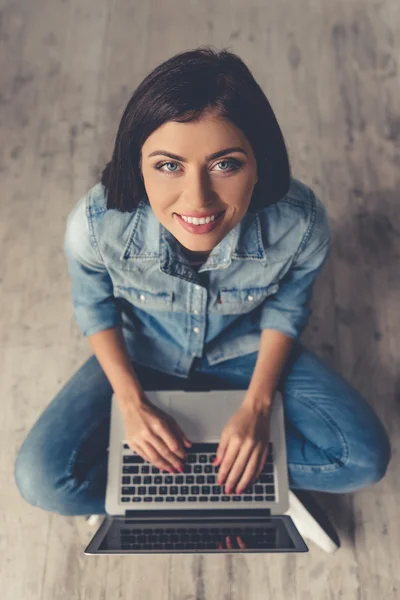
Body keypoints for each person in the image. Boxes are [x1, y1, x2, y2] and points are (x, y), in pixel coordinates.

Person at [14, 47, 391, 539]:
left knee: (365, 459)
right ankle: (242, 483)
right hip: (146, 349)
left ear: (260, 162)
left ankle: (190, 480)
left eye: (225, 165)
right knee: (41, 480)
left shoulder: (301, 222)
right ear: (137, 164)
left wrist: (257, 408)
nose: (197, 200)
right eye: (169, 166)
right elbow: (93, 306)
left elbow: (288, 306)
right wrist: (131, 404)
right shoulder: (95, 224)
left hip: (246, 348)